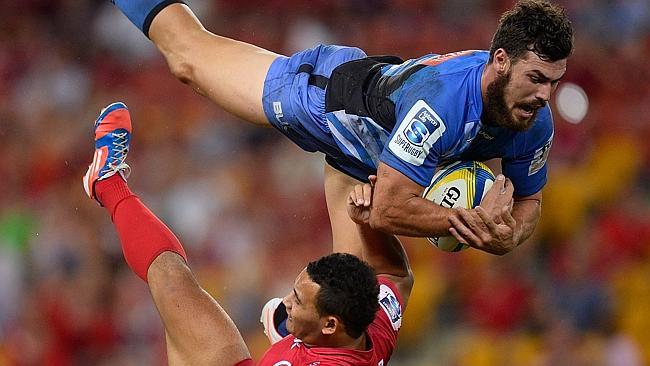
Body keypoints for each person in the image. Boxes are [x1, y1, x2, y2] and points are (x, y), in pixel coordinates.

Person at [108, 0, 574, 255]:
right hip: (322, 99)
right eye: (535, 79)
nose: (544, 96)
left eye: (554, 82)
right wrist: (470, 223)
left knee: (373, 303)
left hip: (371, 158)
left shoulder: (534, 120)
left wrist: (510, 234)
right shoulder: (444, 102)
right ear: (500, 62)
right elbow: (389, 210)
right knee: (188, 55)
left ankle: (286, 329)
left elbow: (530, 201)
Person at [82, 102, 414, 365]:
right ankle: (106, 181)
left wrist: (288, 342)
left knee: (170, 281)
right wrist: (370, 223)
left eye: (297, 302)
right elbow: (394, 275)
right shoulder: (377, 317)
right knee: (172, 281)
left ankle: (107, 185)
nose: (285, 300)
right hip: (304, 346)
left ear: (329, 325)